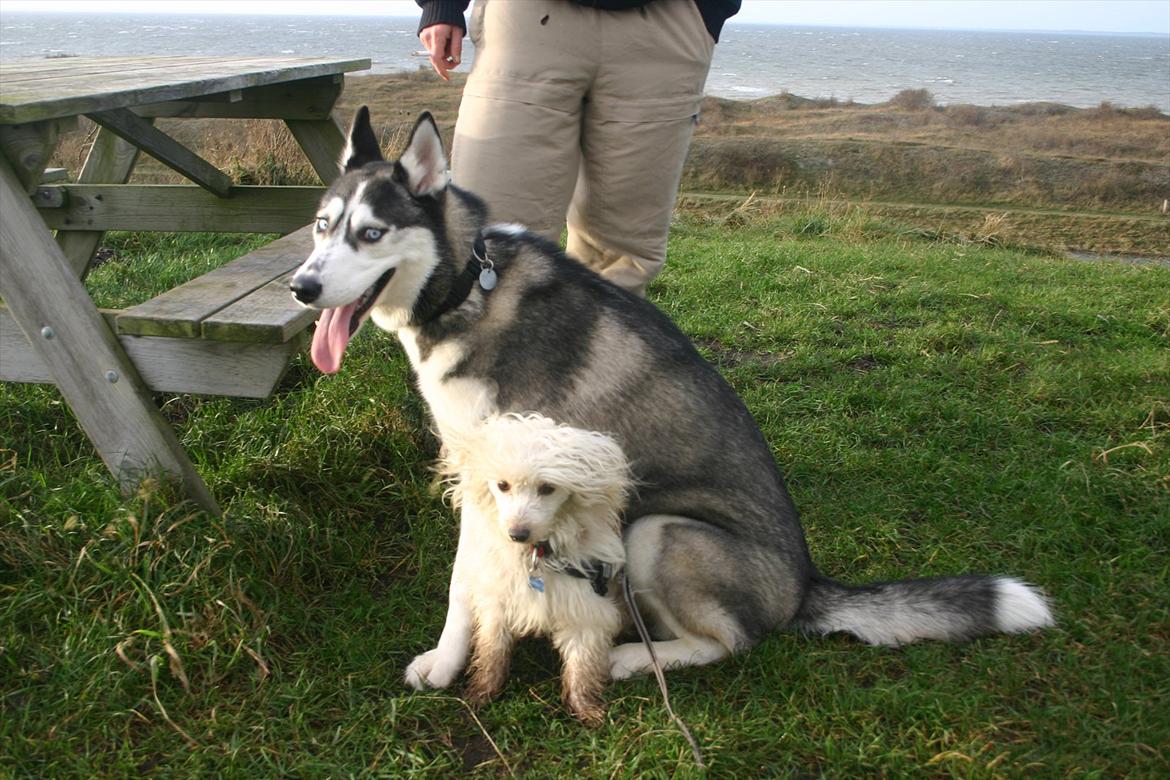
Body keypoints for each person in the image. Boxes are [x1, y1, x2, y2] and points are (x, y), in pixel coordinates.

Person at [415, 0, 741, 297]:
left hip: (668, 25)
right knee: (492, 244)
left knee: (622, 262)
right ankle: (487, 360)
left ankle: (600, 361)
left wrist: (707, 13)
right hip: (527, 21)